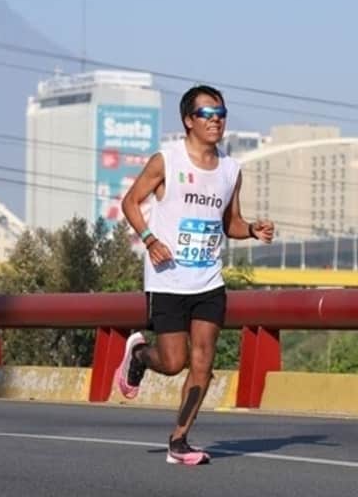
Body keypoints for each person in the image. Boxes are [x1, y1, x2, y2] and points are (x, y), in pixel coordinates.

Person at [116, 85, 274, 466]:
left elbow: (229, 224)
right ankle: (138, 354)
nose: (215, 119)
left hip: (209, 282)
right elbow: (130, 202)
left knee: (202, 360)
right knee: (173, 362)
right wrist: (150, 239)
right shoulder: (166, 161)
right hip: (167, 279)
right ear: (189, 120)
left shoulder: (231, 170)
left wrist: (252, 229)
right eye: (206, 113)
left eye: (220, 112)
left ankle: (180, 440)